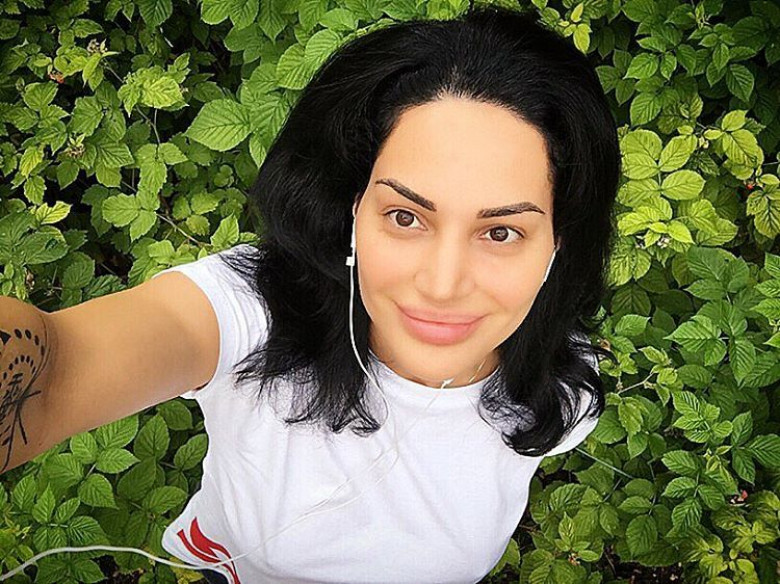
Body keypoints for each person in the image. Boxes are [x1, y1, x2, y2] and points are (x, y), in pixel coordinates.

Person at [0, 4, 620, 583]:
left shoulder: (563, 382)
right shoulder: (255, 312)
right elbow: (59, 366)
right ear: (354, 208)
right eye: (406, 217)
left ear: (557, 244)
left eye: (501, 232)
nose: (442, 284)